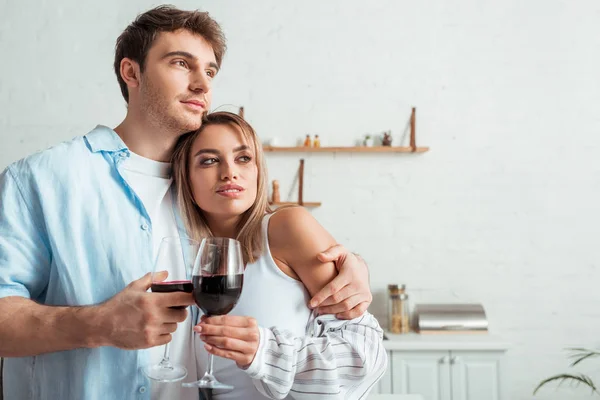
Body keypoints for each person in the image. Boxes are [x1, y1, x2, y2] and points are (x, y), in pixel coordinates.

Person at [0, 6, 374, 400]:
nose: (202, 84)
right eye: (181, 63)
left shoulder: (203, 187)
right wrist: (98, 324)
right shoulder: (42, 179)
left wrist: (354, 263)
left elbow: (277, 254)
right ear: (132, 73)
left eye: (210, 71)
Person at [171, 111, 387, 399]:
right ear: (185, 176)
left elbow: (365, 355)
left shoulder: (287, 227)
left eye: (243, 158)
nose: (229, 172)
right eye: (210, 160)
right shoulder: (185, 253)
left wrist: (265, 352)